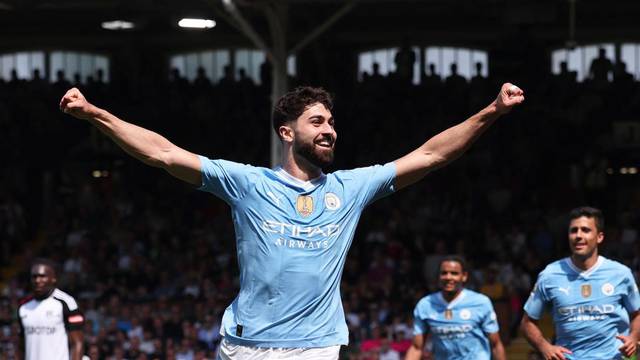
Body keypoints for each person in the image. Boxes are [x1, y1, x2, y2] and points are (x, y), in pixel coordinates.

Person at [59, 82, 524, 359]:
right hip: (249, 343)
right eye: (317, 121)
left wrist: (492, 111)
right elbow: (162, 154)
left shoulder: (351, 188)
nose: (329, 130)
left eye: (332, 123)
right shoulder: (247, 183)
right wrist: (94, 113)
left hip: (316, 344)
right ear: (288, 132)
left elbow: (430, 155)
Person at [520, 206, 640, 360]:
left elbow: (637, 314)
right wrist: (545, 347)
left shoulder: (621, 274)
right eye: (573, 230)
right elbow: (527, 323)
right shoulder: (549, 275)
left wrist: (634, 337)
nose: (578, 235)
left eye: (585, 230)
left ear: (599, 237)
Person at [405, 256, 507, 360]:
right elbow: (416, 348)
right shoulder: (425, 305)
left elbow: (495, 345)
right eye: (444, 273)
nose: (448, 277)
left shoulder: (481, 303)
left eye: (454, 273)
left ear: (464, 276)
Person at [17, 258, 85, 360]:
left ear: (53, 278)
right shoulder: (24, 307)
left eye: (42, 276)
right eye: (34, 277)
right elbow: (21, 346)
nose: (37, 280)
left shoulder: (66, 303)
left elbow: (77, 343)